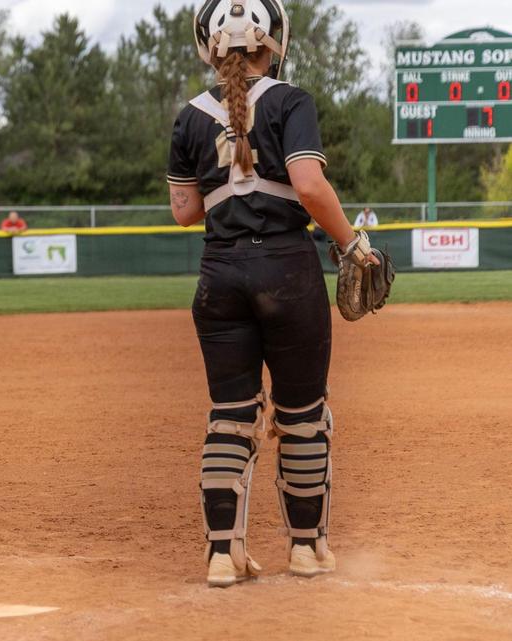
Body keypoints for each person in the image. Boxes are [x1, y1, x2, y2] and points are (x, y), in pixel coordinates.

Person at [169, 0, 380, 588]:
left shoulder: (188, 116)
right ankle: (307, 550)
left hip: (219, 275)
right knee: (303, 414)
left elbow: (185, 210)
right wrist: (353, 245)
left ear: (210, 45)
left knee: (230, 417)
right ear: (272, 40)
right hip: (286, 269)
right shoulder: (292, 101)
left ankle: (221, 557)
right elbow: (309, 186)